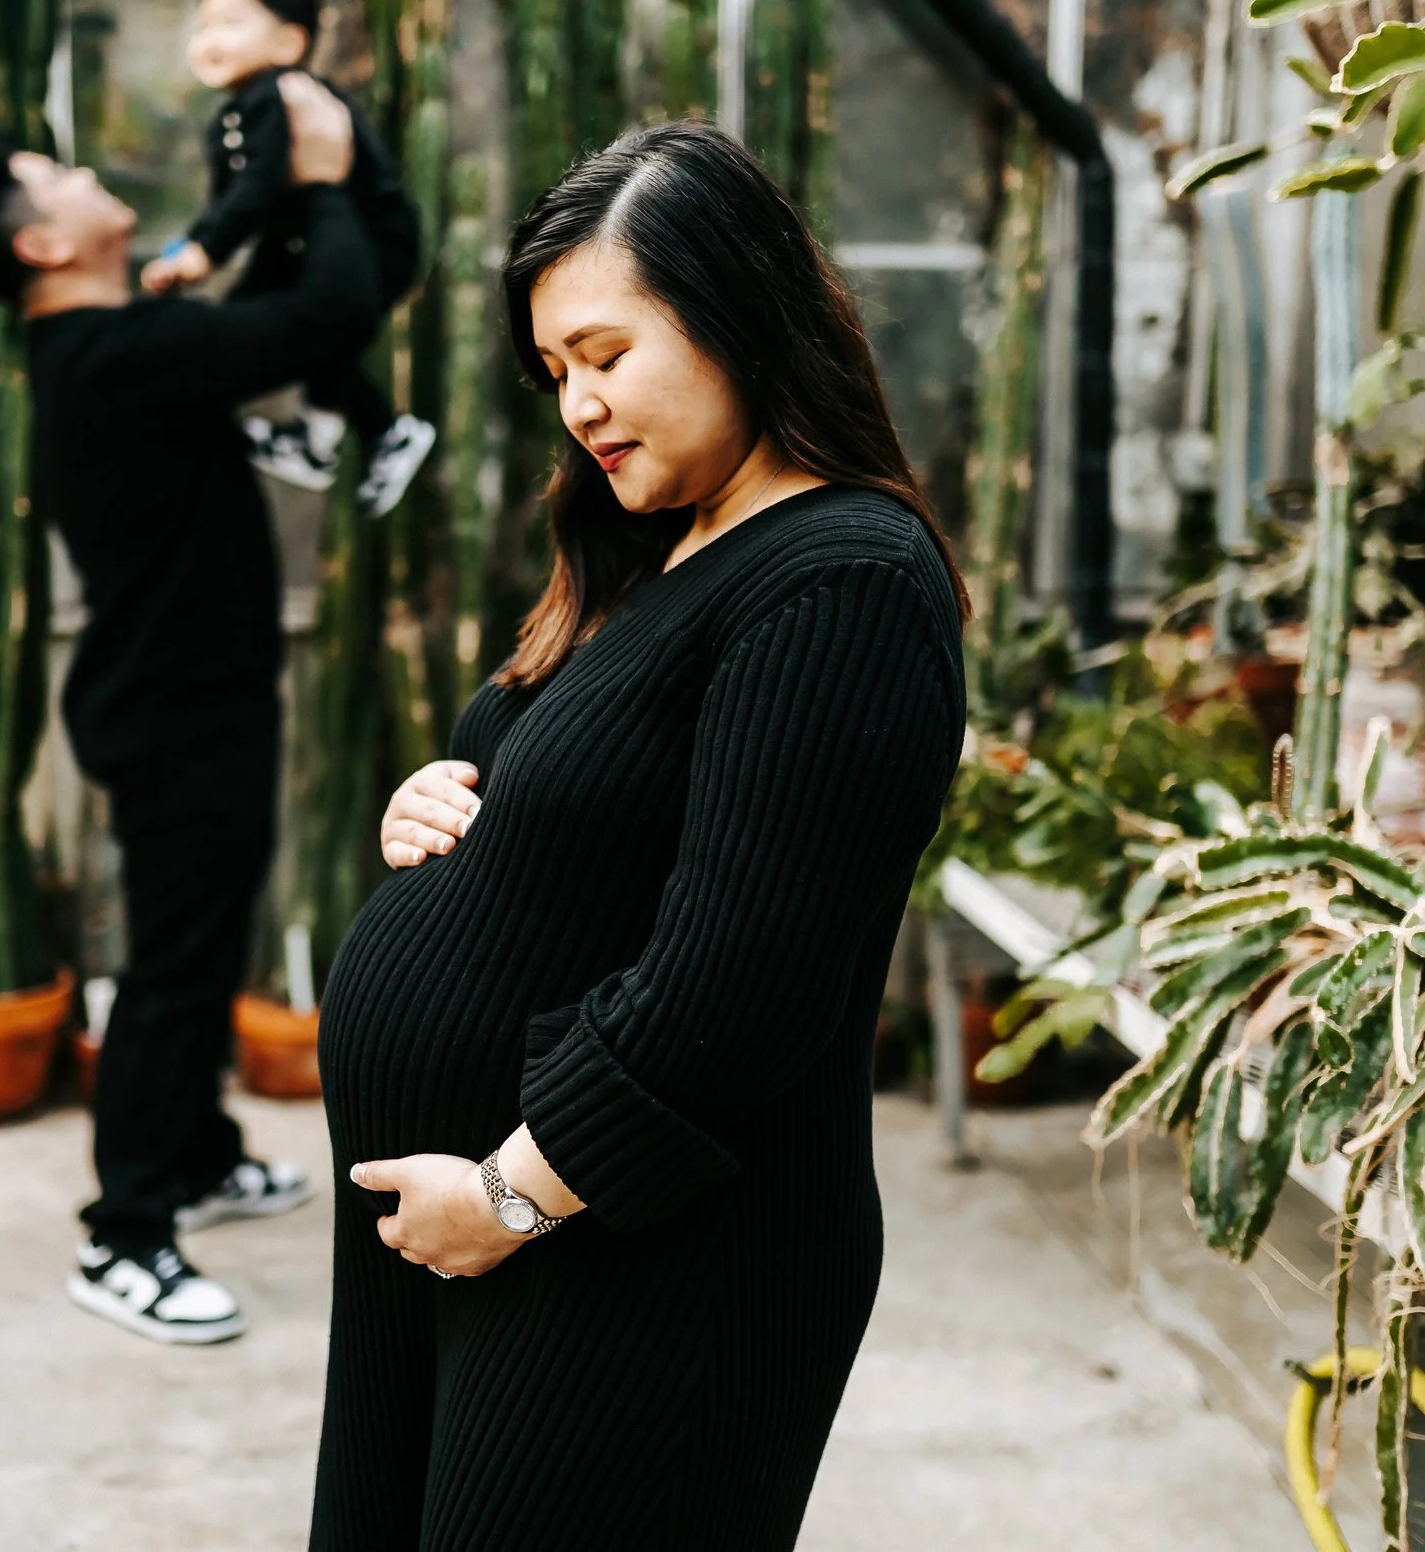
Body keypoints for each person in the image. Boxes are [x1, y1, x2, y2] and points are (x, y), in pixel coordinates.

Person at [309, 123, 969, 1550]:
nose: (581, 406)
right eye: (556, 371)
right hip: (502, 1245)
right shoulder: (662, 544)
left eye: (606, 353)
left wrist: (509, 1195)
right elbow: (573, 801)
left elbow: (744, 984)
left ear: (737, 313)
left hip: (644, 1265)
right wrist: (445, 798)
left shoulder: (841, 583)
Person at [0, 75, 383, 1346]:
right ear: (41, 244)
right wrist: (322, 180)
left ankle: (195, 1152)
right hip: (176, 712)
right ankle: (124, 1232)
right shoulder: (119, 357)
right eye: (57, 176)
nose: (86, 174)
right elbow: (332, 311)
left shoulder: (119, 343)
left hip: (192, 699)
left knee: (203, 943)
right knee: (174, 974)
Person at [142, 0, 437, 517]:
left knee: (314, 330)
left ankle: (381, 431)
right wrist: (191, 250)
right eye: (201, 27)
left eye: (230, 23)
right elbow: (229, 201)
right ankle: (321, 442)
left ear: (289, 43)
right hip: (302, 246)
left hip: (370, 246)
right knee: (282, 328)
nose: (208, 38)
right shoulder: (236, 113)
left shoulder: (280, 94)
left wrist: (206, 252)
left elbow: (255, 188)